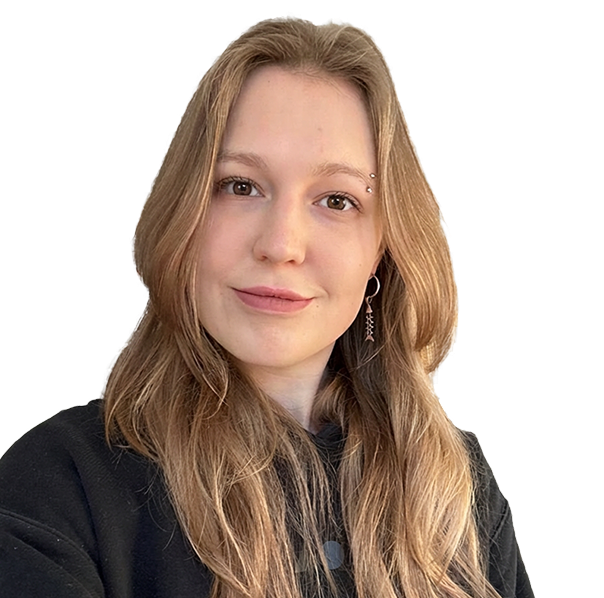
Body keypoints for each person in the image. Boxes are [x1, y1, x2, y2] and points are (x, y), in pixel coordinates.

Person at [0, 15, 534, 598]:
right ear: (183, 212)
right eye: (240, 186)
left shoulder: (458, 491)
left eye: (337, 200)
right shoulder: (57, 488)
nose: (281, 245)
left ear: (382, 248)